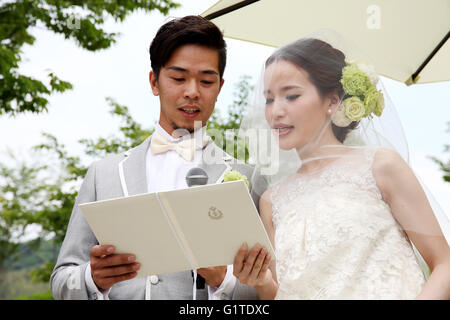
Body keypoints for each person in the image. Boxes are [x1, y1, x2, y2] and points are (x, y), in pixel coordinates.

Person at [50, 15, 267, 300]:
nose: (192, 92)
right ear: (154, 82)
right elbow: (61, 282)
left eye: (206, 81)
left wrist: (223, 279)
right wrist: (93, 277)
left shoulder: (248, 180)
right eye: (178, 78)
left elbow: (267, 289)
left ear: (219, 88)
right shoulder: (103, 174)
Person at [232, 36, 450, 299]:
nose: (276, 111)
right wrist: (263, 283)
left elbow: (444, 266)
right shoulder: (271, 200)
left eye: (291, 95)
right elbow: (280, 294)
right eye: (269, 99)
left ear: (332, 102)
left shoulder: (380, 166)